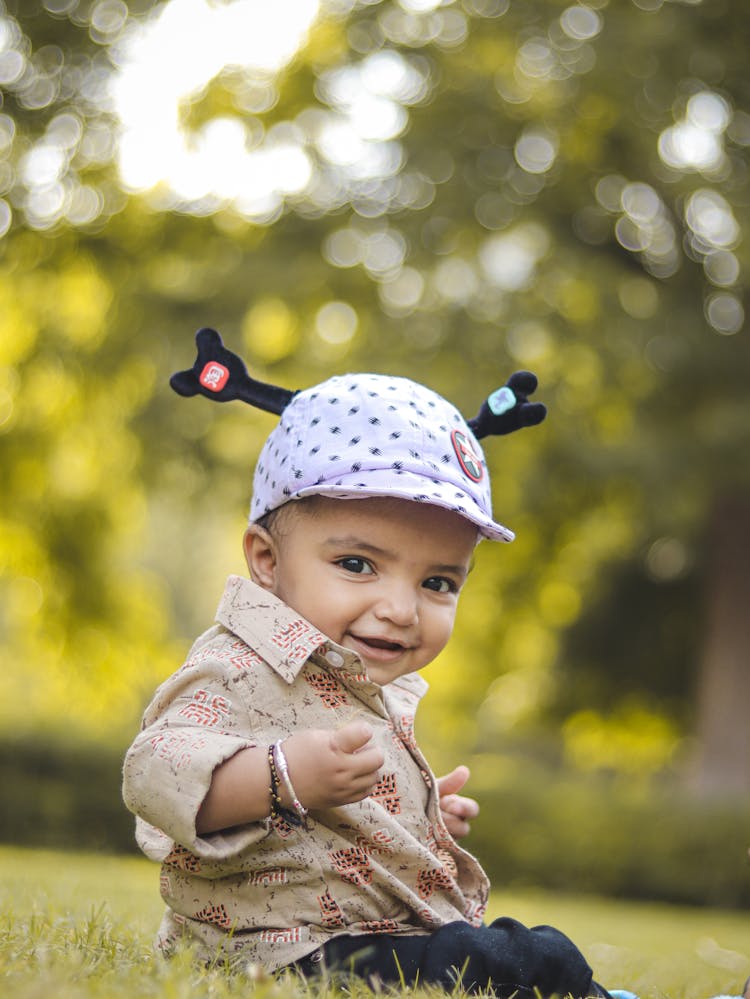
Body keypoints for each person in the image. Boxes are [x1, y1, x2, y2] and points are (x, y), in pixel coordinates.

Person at [122, 328, 609, 996]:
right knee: (497, 960)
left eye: (438, 581)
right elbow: (155, 770)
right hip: (284, 950)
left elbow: (336, 819)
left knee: (521, 954)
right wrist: (283, 775)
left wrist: (421, 809)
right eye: (358, 564)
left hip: (357, 935)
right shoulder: (241, 663)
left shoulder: (351, 677)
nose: (402, 608)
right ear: (267, 559)